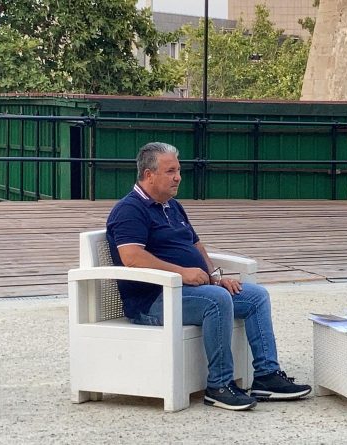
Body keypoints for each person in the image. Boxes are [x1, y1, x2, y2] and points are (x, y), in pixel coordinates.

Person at [106, 142, 311, 411]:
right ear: (148, 175)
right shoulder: (130, 210)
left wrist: (215, 276)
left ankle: (266, 376)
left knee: (256, 296)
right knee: (217, 299)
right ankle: (219, 385)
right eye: (170, 171)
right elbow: (131, 257)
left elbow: (196, 246)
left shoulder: (172, 206)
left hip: (190, 292)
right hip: (155, 300)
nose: (178, 177)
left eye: (178, 170)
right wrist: (182, 273)